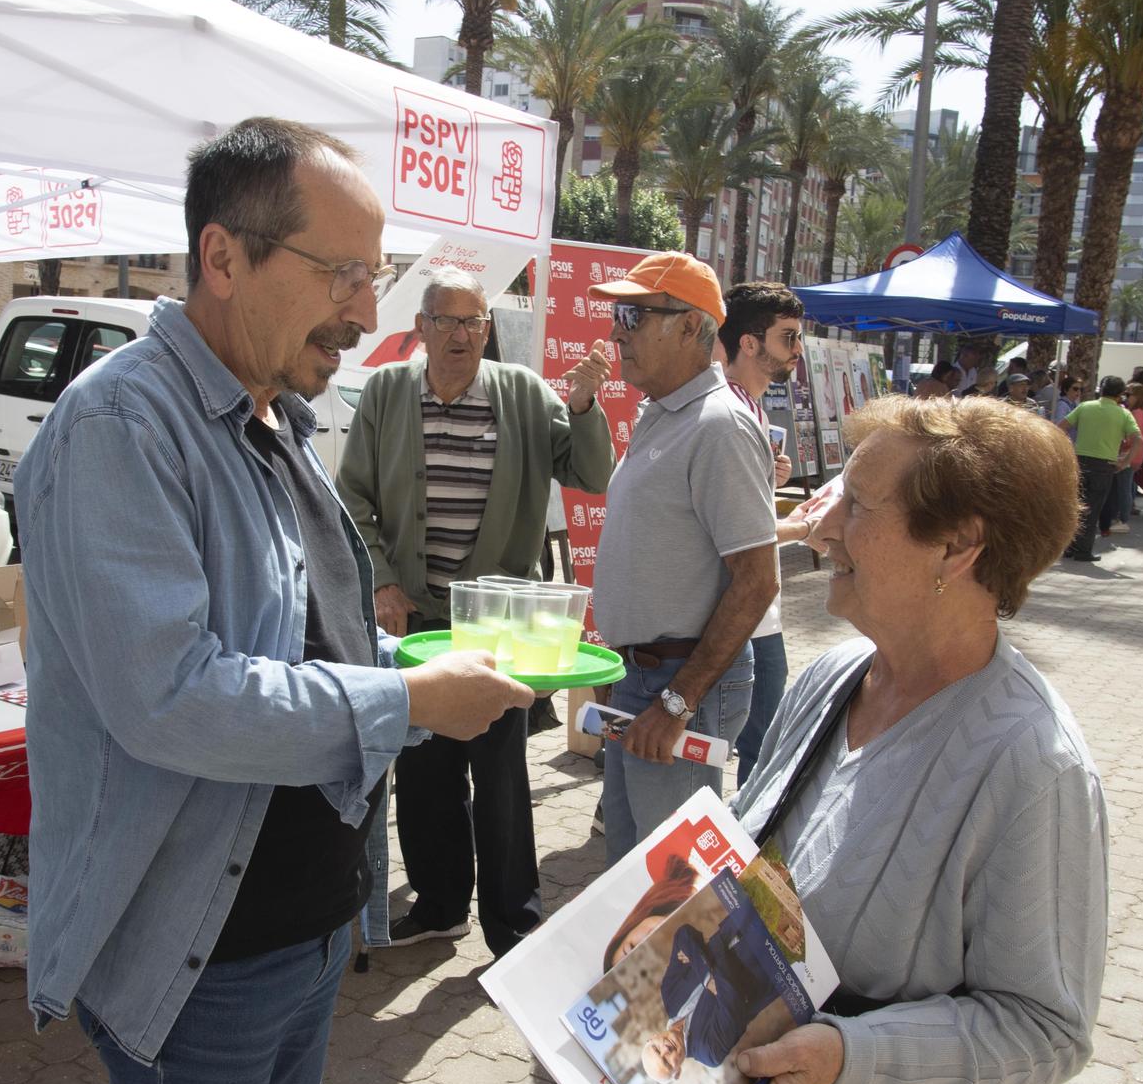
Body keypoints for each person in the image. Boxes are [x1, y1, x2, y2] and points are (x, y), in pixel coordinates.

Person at [13, 118, 531, 1084]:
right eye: (341, 273)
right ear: (223, 257)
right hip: (201, 954)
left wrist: (421, 672)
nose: (364, 310)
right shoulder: (119, 427)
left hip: (298, 933)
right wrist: (406, 704)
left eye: (374, 273)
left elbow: (306, 647)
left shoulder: (271, 419)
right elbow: (173, 695)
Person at [727, 395, 1107, 1084]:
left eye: (857, 504)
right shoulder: (832, 679)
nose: (821, 526)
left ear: (957, 545)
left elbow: (1045, 1029)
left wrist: (848, 1053)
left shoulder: (1031, 766)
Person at [336, 267, 614, 956]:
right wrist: (382, 580)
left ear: (487, 330)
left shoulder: (521, 393)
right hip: (423, 619)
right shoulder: (387, 392)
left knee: (499, 775)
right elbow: (352, 498)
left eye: (474, 322)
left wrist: (582, 406)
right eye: (448, 320)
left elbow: (591, 474)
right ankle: (439, 903)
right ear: (422, 327)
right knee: (426, 775)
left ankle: (515, 925)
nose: (462, 335)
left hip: (500, 626)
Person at [589, 252, 778, 865]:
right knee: (632, 864)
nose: (617, 330)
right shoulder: (665, 413)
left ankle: (684, 966)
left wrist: (676, 704)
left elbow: (757, 580)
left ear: (695, 328)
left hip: (677, 683)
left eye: (634, 314)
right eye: (618, 313)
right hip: (640, 679)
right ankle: (637, 963)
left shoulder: (718, 426)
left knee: (673, 879)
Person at [719, 281, 805, 786]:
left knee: (753, 733)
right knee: (759, 738)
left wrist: (769, 478)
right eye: (787, 338)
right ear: (749, 343)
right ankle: (750, 837)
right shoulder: (728, 413)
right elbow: (735, 528)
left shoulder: (747, 406)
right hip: (741, 604)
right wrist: (809, 525)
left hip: (752, 604)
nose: (797, 351)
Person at [642, 885, 789, 1080]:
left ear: (652, 1038)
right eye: (667, 1063)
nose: (665, 1051)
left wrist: (711, 980)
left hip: (743, 919)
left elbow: (684, 935)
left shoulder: (669, 993)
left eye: (656, 1049)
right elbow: (734, 999)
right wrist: (702, 957)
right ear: (678, 1072)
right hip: (772, 959)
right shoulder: (710, 1051)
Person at [1062, 375, 1140, 563]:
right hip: (1104, 466)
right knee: (1092, 509)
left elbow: (1060, 426)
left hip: (1079, 461)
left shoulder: (1085, 407)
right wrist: (1125, 461)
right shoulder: (1123, 414)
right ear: (1120, 394)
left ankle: (1069, 547)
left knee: (1075, 507)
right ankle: (1083, 550)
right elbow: (1138, 439)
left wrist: (1066, 452)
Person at [1097, 381, 1143, 537]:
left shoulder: (1136, 413)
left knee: (1123, 488)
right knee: (1126, 487)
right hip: (1132, 454)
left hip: (1129, 455)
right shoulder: (1138, 412)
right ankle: (1120, 517)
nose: (1126, 398)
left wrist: (1120, 440)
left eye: (1129, 395)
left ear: (1138, 396)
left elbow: (1133, 438)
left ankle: (1123, 519)